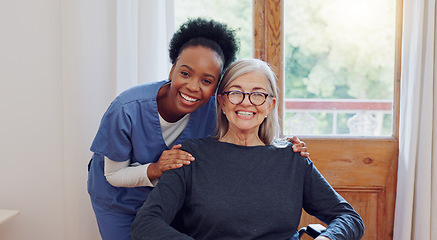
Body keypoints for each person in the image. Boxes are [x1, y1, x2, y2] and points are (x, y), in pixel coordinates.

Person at [87, 18, 309, 240]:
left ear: (216, 88)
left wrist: (282, 146)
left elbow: (247, 128)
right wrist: (155, 168)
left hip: (173, 201)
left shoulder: (216, 109)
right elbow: (113, 174)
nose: (193, 87)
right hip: (119, 199)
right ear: (172, 70)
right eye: (185, 73)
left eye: (206, 80)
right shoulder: (126, 109)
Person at [131, 59, 365, 240]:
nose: (246, 101)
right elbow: (146, 223)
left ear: (270, 105)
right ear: (222, 102)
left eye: (258, 94)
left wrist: (326, 237)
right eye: (236, 92)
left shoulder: (292, 158)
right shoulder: (190, 156)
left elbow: (349, 218)